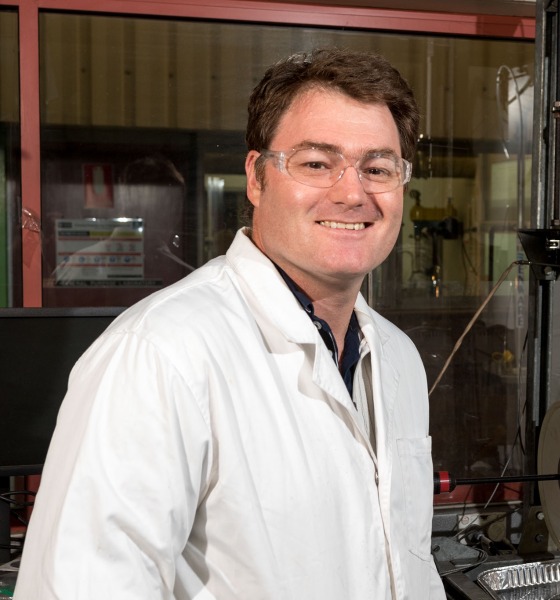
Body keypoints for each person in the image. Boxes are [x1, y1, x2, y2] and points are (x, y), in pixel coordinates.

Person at [15, 47, 446, 600]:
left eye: (378, 168)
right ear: (257, 178)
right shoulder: (159, 354)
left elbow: (404, 565)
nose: (352, 192)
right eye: (316, 163)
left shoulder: (397, 358)